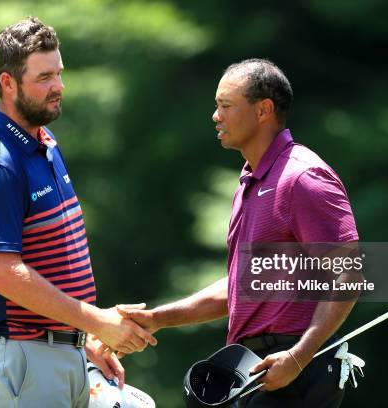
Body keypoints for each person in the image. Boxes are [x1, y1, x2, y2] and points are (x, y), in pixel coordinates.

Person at [118, 59, 359, 407]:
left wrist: (298, 357)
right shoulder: (251, 180)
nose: (216, 116)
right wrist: (159, 318)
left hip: (295, 370)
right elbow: (240, 284)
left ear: (263, 110)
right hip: (255, 369)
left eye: (225, 106)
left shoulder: (302, 177)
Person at [0, 17, 156, 408]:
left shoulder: (43, 141)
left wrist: (84, 336)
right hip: (21, 360)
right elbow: (4, 276)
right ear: (8, 83)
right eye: (44, 77)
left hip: (62, 352)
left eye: (59, 73)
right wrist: (96, 321)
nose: (59, 86)